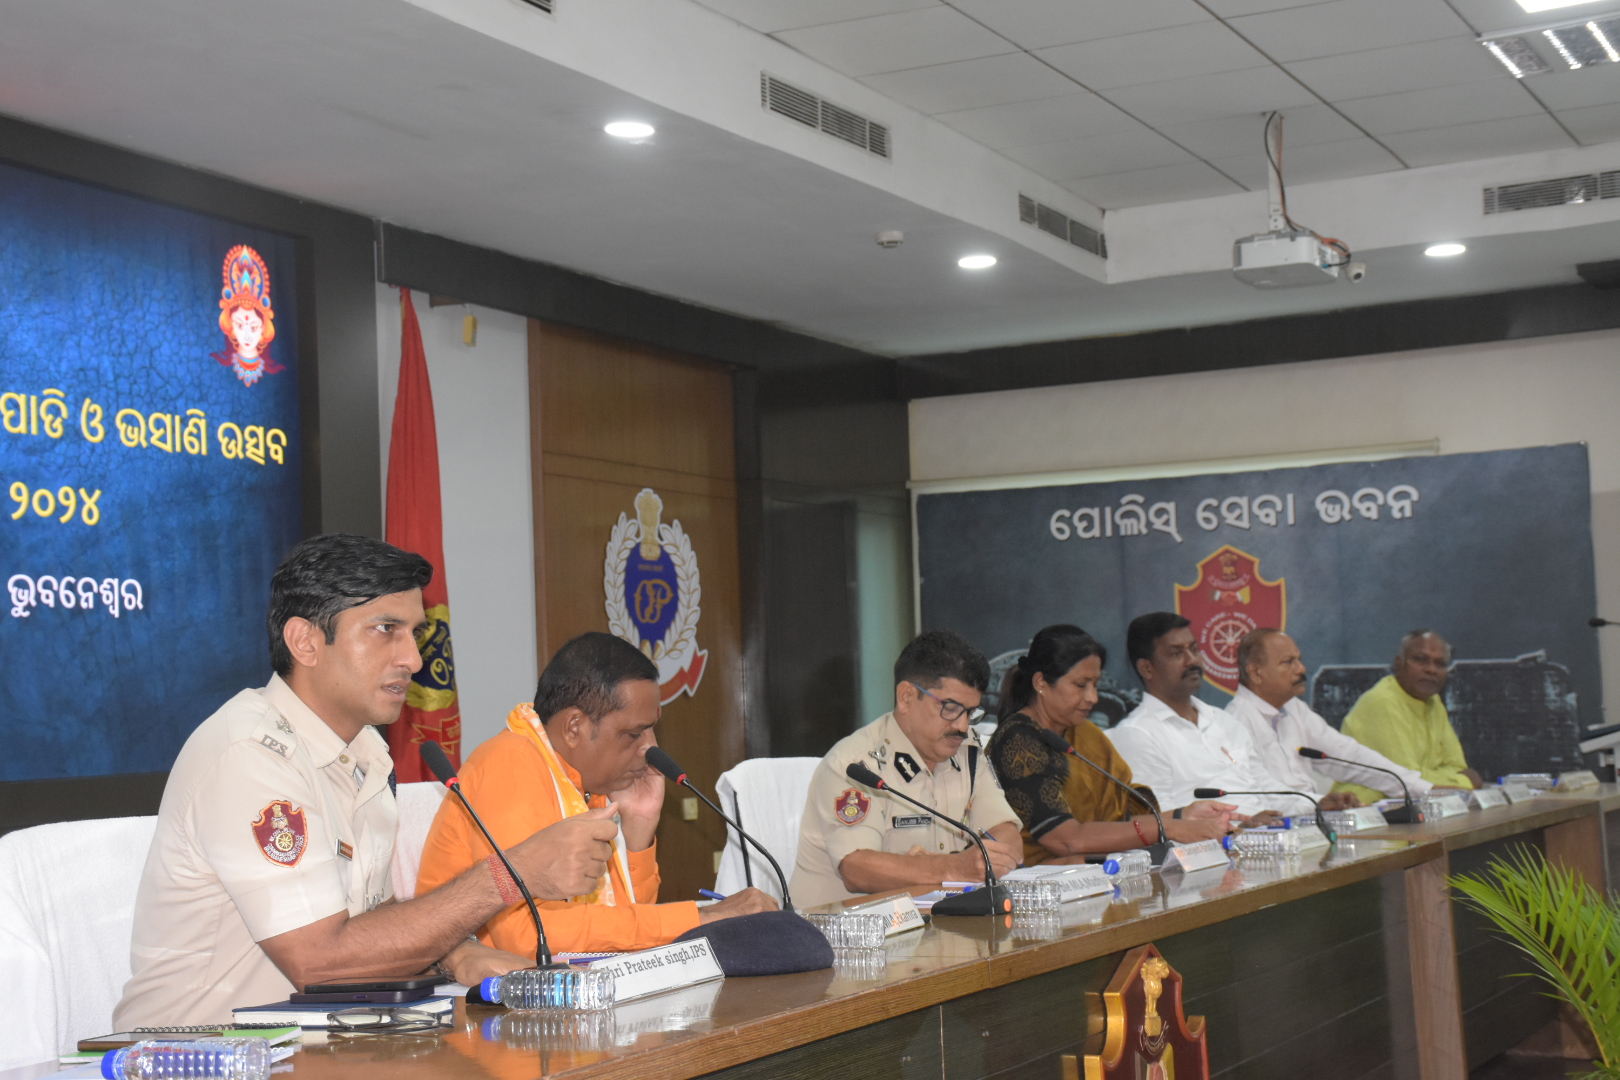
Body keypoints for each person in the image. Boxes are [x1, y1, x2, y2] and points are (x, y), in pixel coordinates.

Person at [115, 535, 618, 1027]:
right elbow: (319, 961)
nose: (413, 660)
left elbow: (367, 919)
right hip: (196, 1054)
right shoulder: (250, 754)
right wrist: (510, 874)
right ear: (305, 641)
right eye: (385, 629)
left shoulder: (365, 751)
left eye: (414, 633)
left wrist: (456, 954)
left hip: (312, 1045)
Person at [416, 632, 776, 954]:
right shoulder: (510, 762)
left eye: (651, 730)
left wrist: (639, 831)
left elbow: (623, 930)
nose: (649, 748)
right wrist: (700, 917)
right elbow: (530, 935)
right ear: (574, 727)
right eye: (634, 734)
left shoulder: (587, 786)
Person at [790, 630, 1022, 908]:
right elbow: (856, 869)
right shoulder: (857, 764)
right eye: (950, 708)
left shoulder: (967, 751)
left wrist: (981, 860)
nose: (962, 726)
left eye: (970, 712)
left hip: (928, 922)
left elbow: (1007, 835)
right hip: (841, 928)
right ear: (907, 697)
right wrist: (953, 867)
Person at [986, 624, 1233, 865]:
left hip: (1101, 868)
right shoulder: (1018, 740)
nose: (1092, 697)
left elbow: (1120, 824)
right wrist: (1170, 827)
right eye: (1081, 685)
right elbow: (1065, 840)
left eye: (1095, 685)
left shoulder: (1086, 734)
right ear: (1041, 682)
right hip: (1040, 879)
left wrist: (1184, 816)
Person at [1105, 613, 1318, 821]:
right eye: (1176, 654)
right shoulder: (1138, 734)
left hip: (1260, 835)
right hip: (1213, 842)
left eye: (1194, 649)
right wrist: (1239, 825)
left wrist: (1318, 803)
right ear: (1146, 668)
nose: (1192, 660)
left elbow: (1264, 788)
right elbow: (1158, 820)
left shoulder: (1223, 721)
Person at [1226, 628, 1429, 806]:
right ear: (1256, 673)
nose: (1301, 669)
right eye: (1288, 662)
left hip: (1313, 819)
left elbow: (1347, 756)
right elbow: (1257, 791)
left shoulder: (1294, 708)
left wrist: (1420, 788)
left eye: (1298, 660)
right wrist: (1318, 804)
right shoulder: (1234, 723)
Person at [1339, 630, 1484, 801]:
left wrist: (1455, 778)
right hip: (1362, 808)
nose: (1431, 670)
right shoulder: (1382, 701)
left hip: (1421, 804)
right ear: (1399, 664)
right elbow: (1406, 780)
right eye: (1420, 660)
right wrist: (1463, 781)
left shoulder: (1433, 702)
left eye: (1440, 664)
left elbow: (1457, 766)